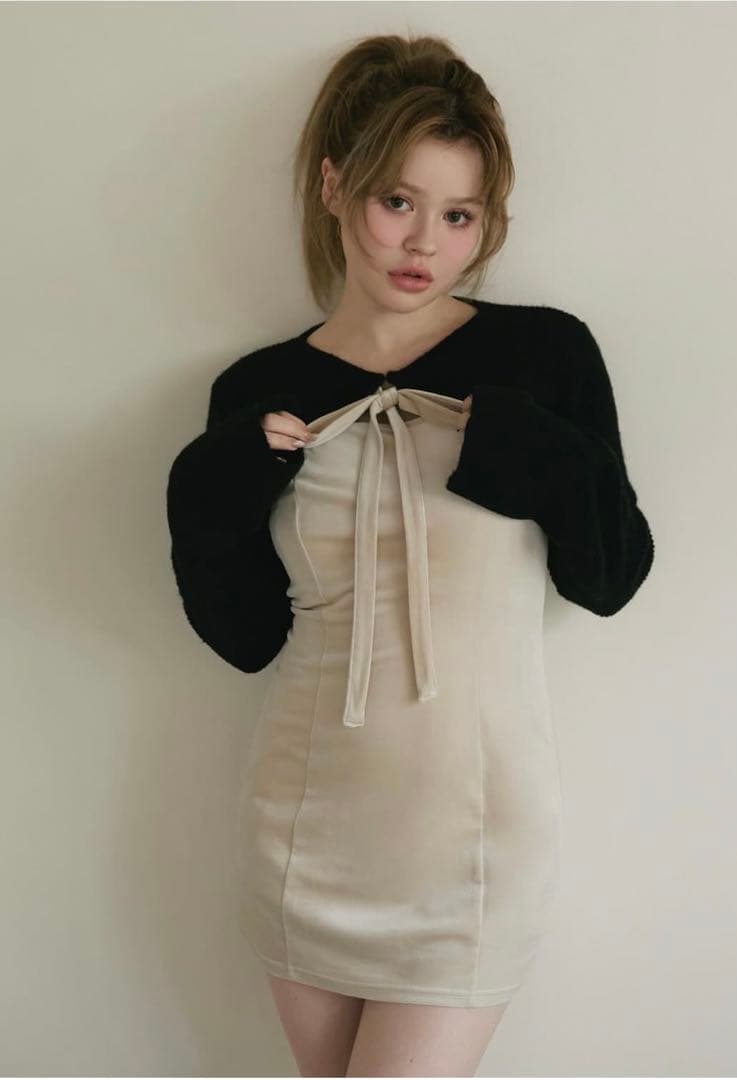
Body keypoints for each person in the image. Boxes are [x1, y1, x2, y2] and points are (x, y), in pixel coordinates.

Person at [166, 32, 654, 1078]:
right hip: (302, 827)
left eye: (459, 215)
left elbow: (610, 576)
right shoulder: (258, 389)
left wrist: (519, 444)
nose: (424, 242)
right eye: (397, 201)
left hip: (474, 839)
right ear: (334, 186)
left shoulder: (544, 356)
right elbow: (245, 635)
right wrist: (211, 487)